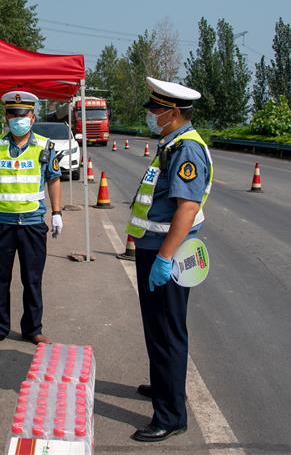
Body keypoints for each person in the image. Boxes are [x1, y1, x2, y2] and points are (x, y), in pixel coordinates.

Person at [126, 77, 213, 443]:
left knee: (167, 331)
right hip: (156, 249)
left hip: (168, 254)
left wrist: (164, 258)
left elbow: (187, 207)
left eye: (156, 110)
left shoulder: (186, 149)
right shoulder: (171, 143)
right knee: (158, 328)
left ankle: (171, 415)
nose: (151, 115)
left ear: (173, 113)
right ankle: (165, 386)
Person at [0, 90, 63, 350]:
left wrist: (57, 212)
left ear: (32, 117)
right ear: (6, 117)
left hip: (32, 222)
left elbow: (53, 180)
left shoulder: (45, 146)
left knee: (32, 279)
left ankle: (33, 329)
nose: (17, 119)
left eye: (22, 115)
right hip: (1, 222)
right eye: (13, 115)